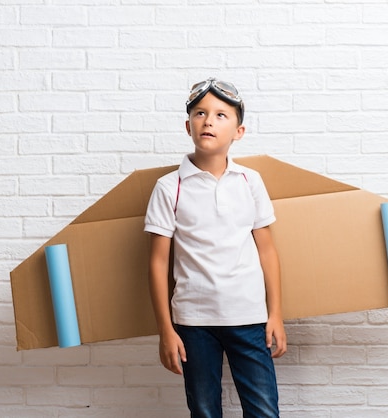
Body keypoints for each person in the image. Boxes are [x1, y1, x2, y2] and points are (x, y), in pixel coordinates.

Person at [144, 77, 287, 418]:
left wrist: (276, 314)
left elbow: (267, 251)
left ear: (239, 131)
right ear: (188, 125)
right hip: (193, 322)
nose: (209, 120)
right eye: (200, 112)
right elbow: (157, 264)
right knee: (205, 412)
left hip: (249, 316)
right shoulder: (169, 188)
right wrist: (166, 330)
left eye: (221, 115)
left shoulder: (251, 181)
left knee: (264, 412)